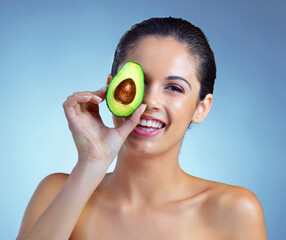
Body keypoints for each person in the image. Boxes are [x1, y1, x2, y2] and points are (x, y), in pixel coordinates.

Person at [17, 17, 267, 239]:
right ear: (111, 87)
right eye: (138, 81)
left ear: (202, 107)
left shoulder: (235, 211)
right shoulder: (57, 193)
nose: (149, 101)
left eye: (174, 88)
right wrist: (92, 163)